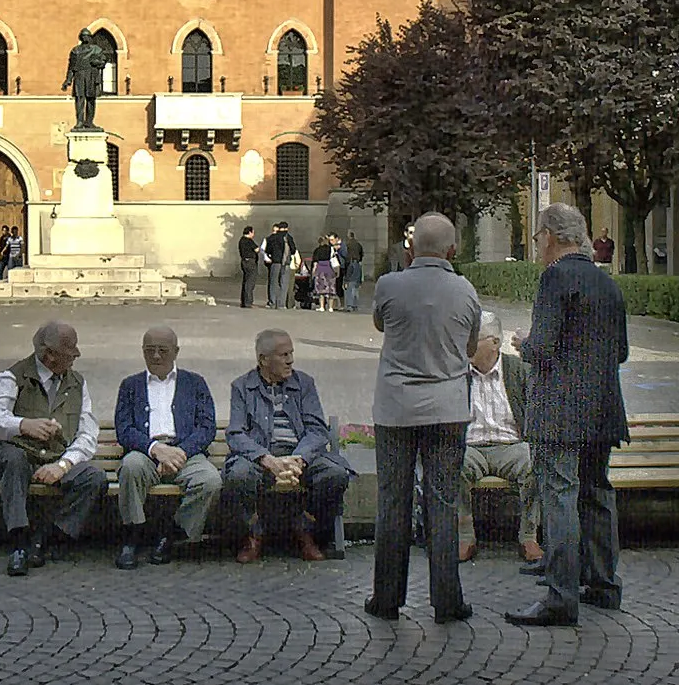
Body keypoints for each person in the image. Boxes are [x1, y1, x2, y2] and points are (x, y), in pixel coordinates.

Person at [505, 204, 629, 628]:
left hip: (560, 410)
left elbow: (542, 349)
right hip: (603, 407)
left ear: (552, 236)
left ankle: (561, 596)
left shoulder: (555, 277)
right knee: (597, 494)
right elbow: (623, 353)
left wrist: (524, 342)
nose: (538, 245)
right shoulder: (608, 283)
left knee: (559, 495)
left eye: (538, 237)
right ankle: (604, 585)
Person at [363, 213, 482, 625]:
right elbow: (470, 347)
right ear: (453, 250)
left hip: (396, 409)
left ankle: (387, 599)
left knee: (393, 503)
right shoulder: (466, 290)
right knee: (443, 505)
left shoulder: (389, 285)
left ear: (411, 248)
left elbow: (381, 323)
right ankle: (447, 601)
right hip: (448, 410)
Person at [0, 320, 108, 577]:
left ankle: (45, 540)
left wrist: (63, 465)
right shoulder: (14, 376)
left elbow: (87, 434)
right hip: (16, 454)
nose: (77, 355)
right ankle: (18, 541)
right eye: (70, 349)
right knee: (13, 461)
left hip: (55, 459)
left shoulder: (78, 384)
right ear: (48, 355)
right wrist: (22, 425)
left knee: (94, 478)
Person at [222, 329, 354, 562]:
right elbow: (235, 433)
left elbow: (316, 429)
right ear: (263, 359)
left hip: (300, 454)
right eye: (283, 355)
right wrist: (266, 459)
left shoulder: (304, 383)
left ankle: (307, 529)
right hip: (260, 457)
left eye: (291, 353)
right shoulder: (242, 387)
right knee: (238, 476)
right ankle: (253, 534)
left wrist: (300, 459)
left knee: (335, 474)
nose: (290, 360)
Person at [111, 326, 222, 568]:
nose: (156, 356)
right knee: (130, 467)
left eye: (163, 350)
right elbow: (124, 428)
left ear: (176, 351)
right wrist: (154, 449)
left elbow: (206, 427)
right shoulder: (130, 385)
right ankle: (133, 534)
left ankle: (174, 534)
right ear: (142, 352)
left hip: (186, 453)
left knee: (210, 480)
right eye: (150, 351)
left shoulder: (195, 383)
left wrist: (180, 452)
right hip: (145, 452)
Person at [459, 310, 543, 567]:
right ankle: (464, 537)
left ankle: (528, 536)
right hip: (471, 446)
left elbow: (534, 411)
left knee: (534, 464)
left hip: (511, 445)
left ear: (495, 342)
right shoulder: (458, 373)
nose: (467, 345)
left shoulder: (519, 371)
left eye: (475, 339)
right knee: (452, 464)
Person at [61, 30, 106, 129]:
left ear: (90, 37)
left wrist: (97, 62)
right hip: (79, 75)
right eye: (83, 36)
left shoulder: (96, 49)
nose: (85, 38)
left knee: (90, 99)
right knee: (79, 98)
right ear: (80, 37)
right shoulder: (75, 50)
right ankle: (80, 122)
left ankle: (89, 122)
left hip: (91, 75)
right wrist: (68, 80)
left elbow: (103, 62)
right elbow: (71, 66)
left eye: (87, 36)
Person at [263, 222, 296, 310]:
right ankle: (281, 304)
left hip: (275, 262)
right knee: (284, 284)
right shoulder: (288, 237)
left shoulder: (273, 237)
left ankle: (272, 302)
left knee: (273, 283)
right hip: (286, 263)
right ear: (287, 228)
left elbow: (268, 250)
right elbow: (293, 250)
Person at [312, 235, 339, 312]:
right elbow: (334, 259)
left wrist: (314, 272)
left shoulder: (317, 250)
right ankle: (330, 307)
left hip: (320, 268)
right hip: (329, 268)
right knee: (331, 289)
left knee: (321, 289)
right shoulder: (331, 249)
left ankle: (322, 306)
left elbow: (315, 263)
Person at [237, 226, 261, 308]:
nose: (253, 234)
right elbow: (257, 249)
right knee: (250, 282)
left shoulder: (241, 240)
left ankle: (243, 301)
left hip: (244, 261)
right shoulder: (249, 241)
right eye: (253, 232)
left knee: (245, 281)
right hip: (250, 262)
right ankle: (248, 302)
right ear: (250, 232)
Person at [343, 232, 366, 312]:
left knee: (350, 286)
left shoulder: (348, 245)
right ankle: (355, 305)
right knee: (356, 286)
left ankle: (350, 305)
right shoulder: (358, 244)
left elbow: (346, 255)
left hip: (351, 263)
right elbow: (362, 254)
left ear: (349, 237)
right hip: (358, 264)